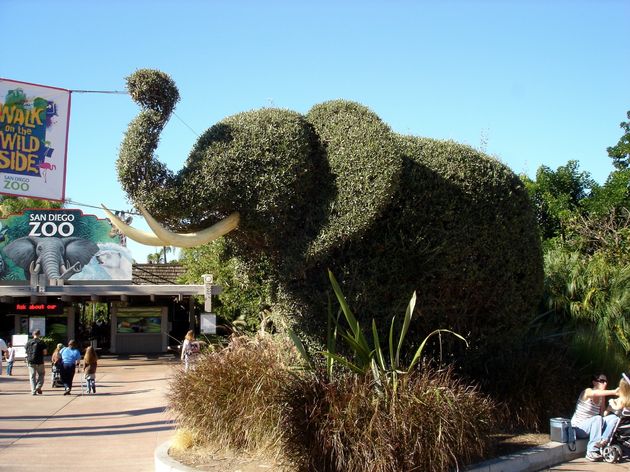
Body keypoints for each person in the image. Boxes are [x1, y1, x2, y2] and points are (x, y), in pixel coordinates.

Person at [570, 373, 620, 461]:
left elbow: (602, 416)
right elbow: (594, 393)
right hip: (578, 428)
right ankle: (591, 451)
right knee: (597, 418)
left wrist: (609, 409)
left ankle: (602, 442)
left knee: (614, 418)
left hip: (593, 425)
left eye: (606, 381)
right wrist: (614, 392)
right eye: (602, 381)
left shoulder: (601, 397)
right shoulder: (587, 391)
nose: (605, 383)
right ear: (594, 382)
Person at [24, 330, 48, 395]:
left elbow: (26, 351)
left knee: (32, 376)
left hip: (31, 361)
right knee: (41, 374)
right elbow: (45, 352)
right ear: (39, 334)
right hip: (40, 361)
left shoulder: (29, 342)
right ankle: (38, 386)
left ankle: (33, 391)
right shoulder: (41, 342)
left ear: (33, 334)